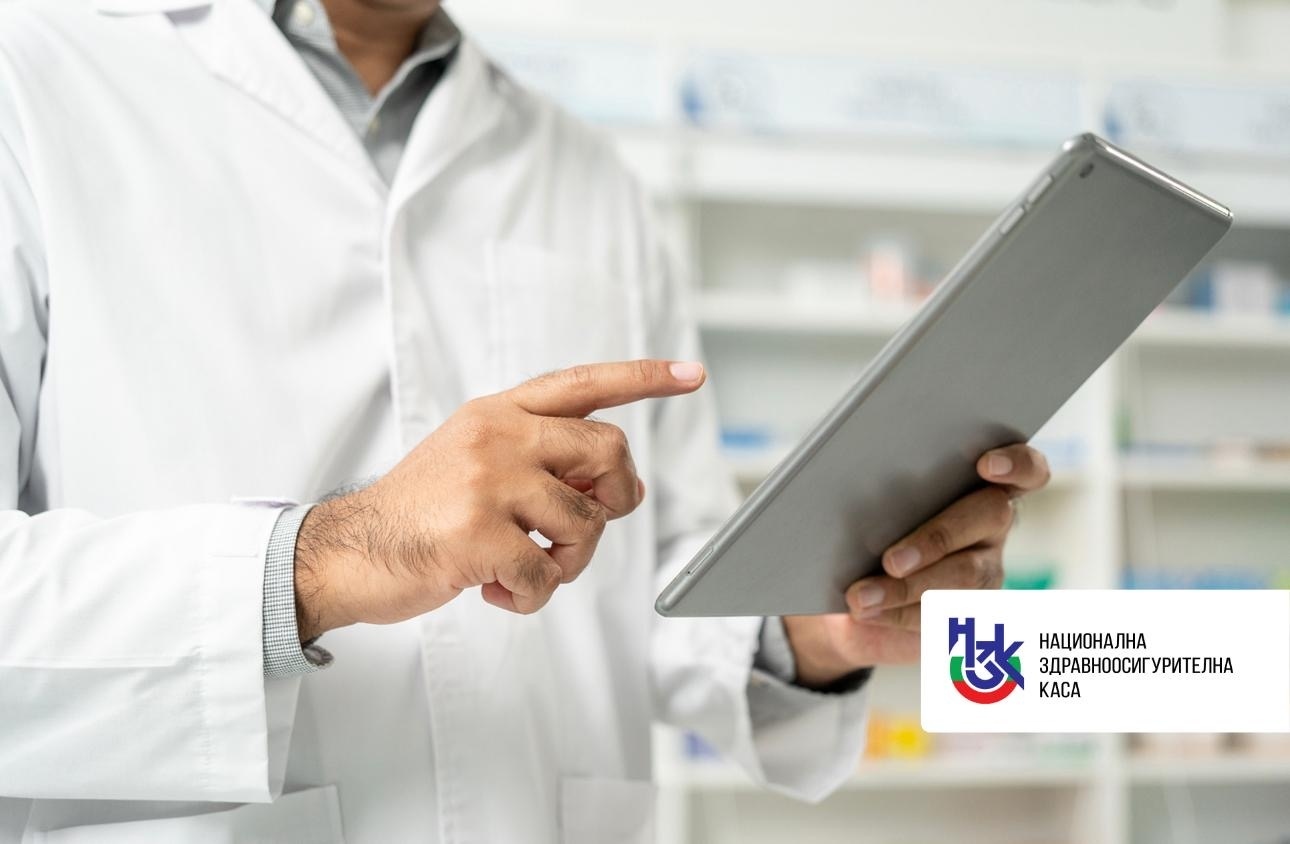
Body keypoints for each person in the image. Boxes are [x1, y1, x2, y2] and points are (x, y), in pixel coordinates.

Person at [0, 1, 1050, 841]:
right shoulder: (37, 78)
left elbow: (658, 573)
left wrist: (809, 627)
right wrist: (333, 557)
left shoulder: (589, 175)